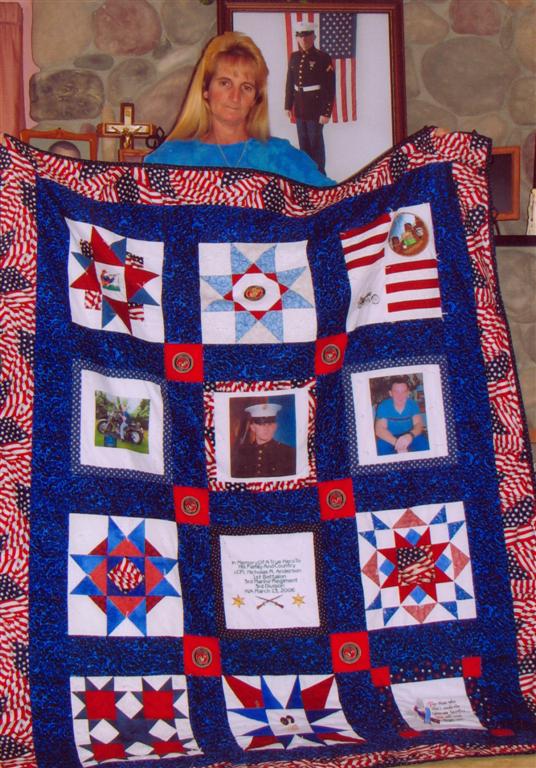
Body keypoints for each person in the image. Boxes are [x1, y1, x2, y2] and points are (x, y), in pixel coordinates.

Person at [145, 31, 334, 186]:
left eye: (246, 87)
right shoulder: (171, 159)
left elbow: (333, 204)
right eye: (225, 83)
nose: (235, 97)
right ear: (205, 90)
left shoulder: (280, 157)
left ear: (256, 99)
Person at [284, 21, 335, 175]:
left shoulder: (322, 57)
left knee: (315, 146)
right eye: (300, 36)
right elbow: (290, 82)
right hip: (300, 108)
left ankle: (320, 178)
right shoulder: (294, 57)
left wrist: (326, 112)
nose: (303, 39)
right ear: (296, 38)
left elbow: (329, 87)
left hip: (315, 109)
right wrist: (288, 105)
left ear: (314, 37)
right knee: (304, 146)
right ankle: (307, 178)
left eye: (306, 35)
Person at [231, 402, 296, 478]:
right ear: (253, 427)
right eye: (261, 424)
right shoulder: (242, 453)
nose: (266, 429)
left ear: (275, 426)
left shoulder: (288, 453)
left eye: (270, 424)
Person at [374, 377, 429, 456]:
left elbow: (418, 424)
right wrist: (398, 444)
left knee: (424, 445)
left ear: (408, 393)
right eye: (396, 392)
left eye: (403, 392)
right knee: (381, 448)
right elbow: (380, 430)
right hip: (389, 437)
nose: (400, 396)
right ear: (390, 393)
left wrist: (410, 436)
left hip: (409, 435)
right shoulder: (383, 406)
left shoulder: (413, 404)